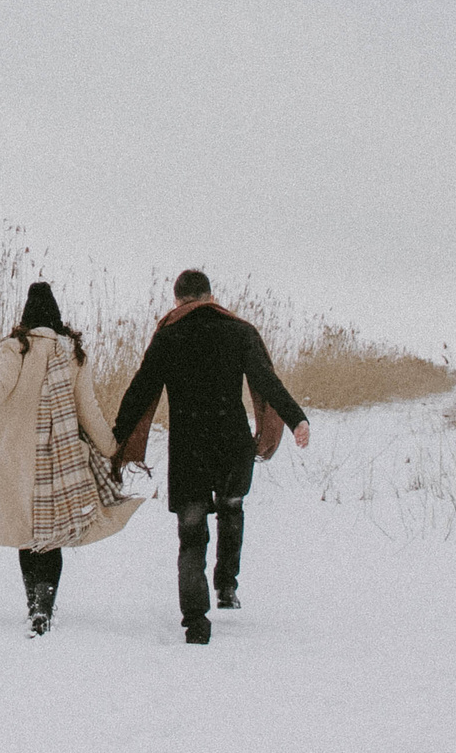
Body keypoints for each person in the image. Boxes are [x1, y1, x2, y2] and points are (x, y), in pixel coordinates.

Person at [110, 270, 309, 644]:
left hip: (189, 448)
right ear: (211, 296)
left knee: (191, 531)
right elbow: (267, 380)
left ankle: (196, 621)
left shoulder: (168, 335)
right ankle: (226, 585)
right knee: (232, 506)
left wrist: (117, 438)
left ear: (178, 301)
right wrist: (296, 418)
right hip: (232, 442)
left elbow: (140, 390)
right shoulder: (240, 331)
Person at [0, 281, 138, 635]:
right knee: (51, 533)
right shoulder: (73, 352)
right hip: (60, 454)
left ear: (26, 316)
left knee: (27, 533)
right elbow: (86, 406)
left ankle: (34, 606)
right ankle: (44, 605)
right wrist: (110, 448)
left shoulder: (17, 347)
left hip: (16, 455)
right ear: (57, 316)